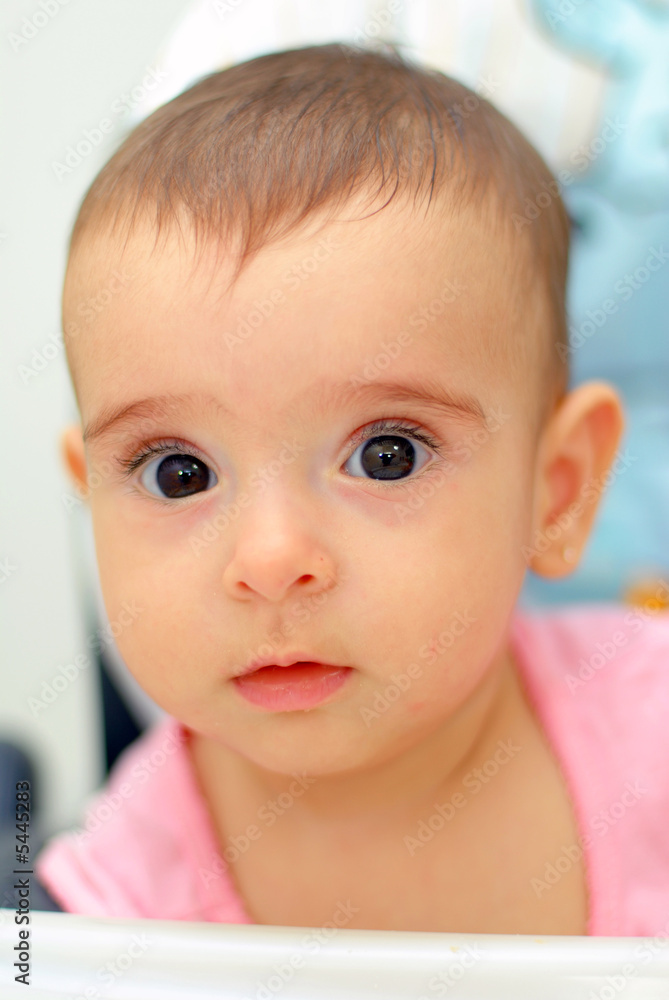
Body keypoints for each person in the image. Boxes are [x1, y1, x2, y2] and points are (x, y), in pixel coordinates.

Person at [35, 42, 669, 937]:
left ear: (553, 490)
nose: (270, 560)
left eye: (386, 456)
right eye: (179, 474)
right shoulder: (104, 915)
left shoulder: (651, 728)